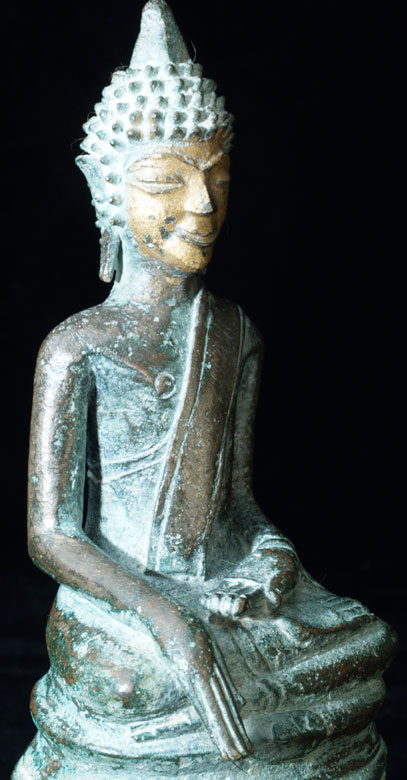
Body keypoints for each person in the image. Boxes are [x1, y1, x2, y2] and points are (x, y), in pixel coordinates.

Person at [13, 2, 397, 778]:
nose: (202, 204)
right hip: (119, 607)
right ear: (108, 193)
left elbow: (238, 505)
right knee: (134, 685)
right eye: (166, 181)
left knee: (364, 641)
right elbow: (51, 535)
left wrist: (272, 560)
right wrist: (164, 616)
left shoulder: (233, 334)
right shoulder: (76, 346)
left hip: (221, 593)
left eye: (216, 176)